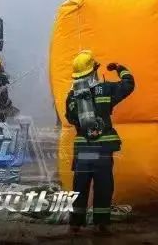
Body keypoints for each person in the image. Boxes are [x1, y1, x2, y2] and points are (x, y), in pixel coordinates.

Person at [64, 49, 136, 234]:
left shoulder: (72, 96)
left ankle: (75, 224)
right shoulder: (106, 89)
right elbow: (129, 84)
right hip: (102, 150)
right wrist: (119, 68)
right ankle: (101, 224)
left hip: (83, 151)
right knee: (103, 186)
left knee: (80, 186)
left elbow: (70, 118)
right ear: (94, 70)